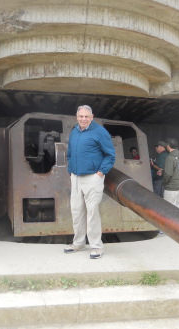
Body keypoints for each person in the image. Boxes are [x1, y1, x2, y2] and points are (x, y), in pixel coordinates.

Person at [65, 105, 115, 259]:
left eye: (87, 116)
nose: (83, 119)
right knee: (76, 211)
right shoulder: (74, 131)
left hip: (92, 178)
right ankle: (79, 243)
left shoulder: (100, 132)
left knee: (92, 212)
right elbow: (70, 154)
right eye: (81, 116)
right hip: (76, 177)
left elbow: (110, 155)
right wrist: (70, 170)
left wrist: (100, 174)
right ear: (76, 117)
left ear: (92, 117)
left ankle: (96, 246)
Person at [163, 138, 179, 209]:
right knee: (177, 206)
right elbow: (178, 170)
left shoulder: (170, 157)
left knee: (168, 208)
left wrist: (164, 183)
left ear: (168, 146)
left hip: (172, 187)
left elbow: (168, 174)